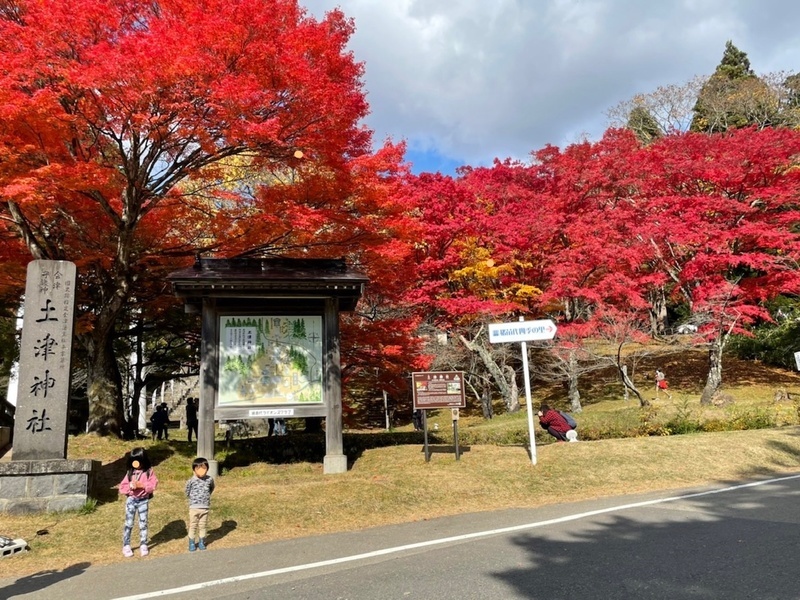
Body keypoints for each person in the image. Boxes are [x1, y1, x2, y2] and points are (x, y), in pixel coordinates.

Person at [118, 447, 159, 558]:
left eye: (138, 461)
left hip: (143, 501)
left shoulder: (149, 472)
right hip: (131, 500)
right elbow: (122, 487)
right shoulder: (130, 473)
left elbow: (153, 485)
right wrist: (130, 487)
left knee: (143, 523)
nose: (136, 464)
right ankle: (126, 545)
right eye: (134, 461)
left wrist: (142, 486)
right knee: (129, 523)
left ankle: (143, 544)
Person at [185, 456, 215, 552]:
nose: (201, 471)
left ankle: (202, 542)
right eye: (198, 468)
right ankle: (191, 543)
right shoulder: (191, 481)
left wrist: (206, 497)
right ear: (194, 470)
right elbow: (187, 491)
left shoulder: (209, 479)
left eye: (204, 468)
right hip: (194, 507)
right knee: (193, 525)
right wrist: (193, 499)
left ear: (207, 469)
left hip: (205, 507)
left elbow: (211, 488)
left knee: (203, 525)